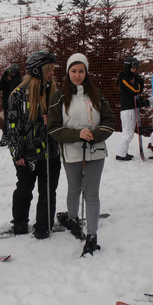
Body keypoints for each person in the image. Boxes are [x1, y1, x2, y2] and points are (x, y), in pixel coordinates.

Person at [48, 53, 116, 256]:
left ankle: (92, 236)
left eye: (81, 71)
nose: (77, 75)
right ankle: (73, 218)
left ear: (86, 72)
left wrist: (95, 135)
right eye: (73, 71)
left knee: (92, 193)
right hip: (72, 152)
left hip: (95, 150)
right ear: (67, 72)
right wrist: (77, 134)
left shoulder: (97, 94)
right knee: (75, 188)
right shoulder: (59, 97)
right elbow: (53, 128)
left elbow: (109, 121)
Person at [6, 51, 61, 239]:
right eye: (49, 69)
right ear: (38, 70)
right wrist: (17, 153)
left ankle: (44, 226)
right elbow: (12, 126)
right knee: (24, 190)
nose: (52, 73)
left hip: (50, 153)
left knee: (48, 191)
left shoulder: (54, 93)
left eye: (53, 69)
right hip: (27, 154)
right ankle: (20, 223)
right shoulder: (19, 94)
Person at [115, 57, 145, 161]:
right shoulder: (124, 78)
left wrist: (138, 81)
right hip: (127, 110)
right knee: (128, 133)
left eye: (136, 67)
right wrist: (139, 82)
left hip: (131, 108)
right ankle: (121, 154)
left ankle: (123, 152)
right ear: (128, 67)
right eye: (133, 67)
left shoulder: (130, 76)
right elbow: (135, 90)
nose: (135, 69)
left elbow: (137, 91)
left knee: (129, 132)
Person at [0, 63, 23, 145]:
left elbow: (0, 88)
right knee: (11, 121)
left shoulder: (15, 81)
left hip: (10, 105)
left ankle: (7, 137)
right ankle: (10, 137)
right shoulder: (14, 81)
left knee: (9, 121)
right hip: (12, 104)